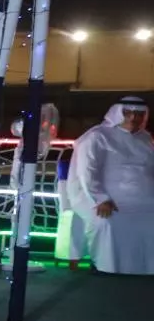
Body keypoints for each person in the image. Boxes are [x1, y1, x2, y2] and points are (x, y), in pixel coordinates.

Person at [62, 96, 153, 275]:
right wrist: (101, 199)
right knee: (109, 221)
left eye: (139, 114)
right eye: (128, 113)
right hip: (102, 197)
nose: (133, 118)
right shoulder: (97, 136)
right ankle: (108, 268)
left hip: (142, 198)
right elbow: (87, 172)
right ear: (118, 113)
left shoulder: (145, 138)